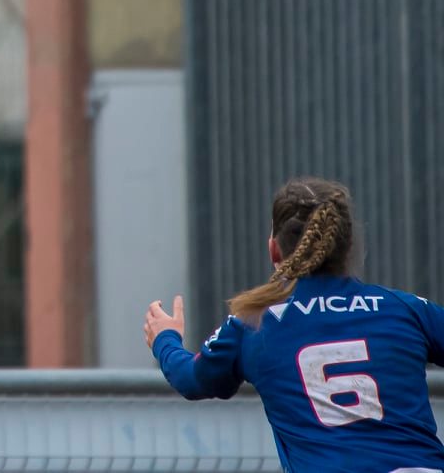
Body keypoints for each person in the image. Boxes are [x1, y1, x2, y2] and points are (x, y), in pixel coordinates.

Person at [145, 177, 444, 473]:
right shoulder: (405, 308)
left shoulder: (253, 323)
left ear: (274, 250)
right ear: (349, 244)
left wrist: (165, 339)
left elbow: (192, 378)